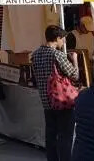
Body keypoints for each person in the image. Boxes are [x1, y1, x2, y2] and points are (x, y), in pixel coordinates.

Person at [33, 25, 79, 161]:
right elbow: (74, 75)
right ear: (57, 38)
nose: (64, 41)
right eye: (63, 38)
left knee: (51, 135)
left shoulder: (35, 54)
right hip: (61, 100)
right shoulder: (57, 55)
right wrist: (75, 59)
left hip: (46, 100)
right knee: (65, 135)